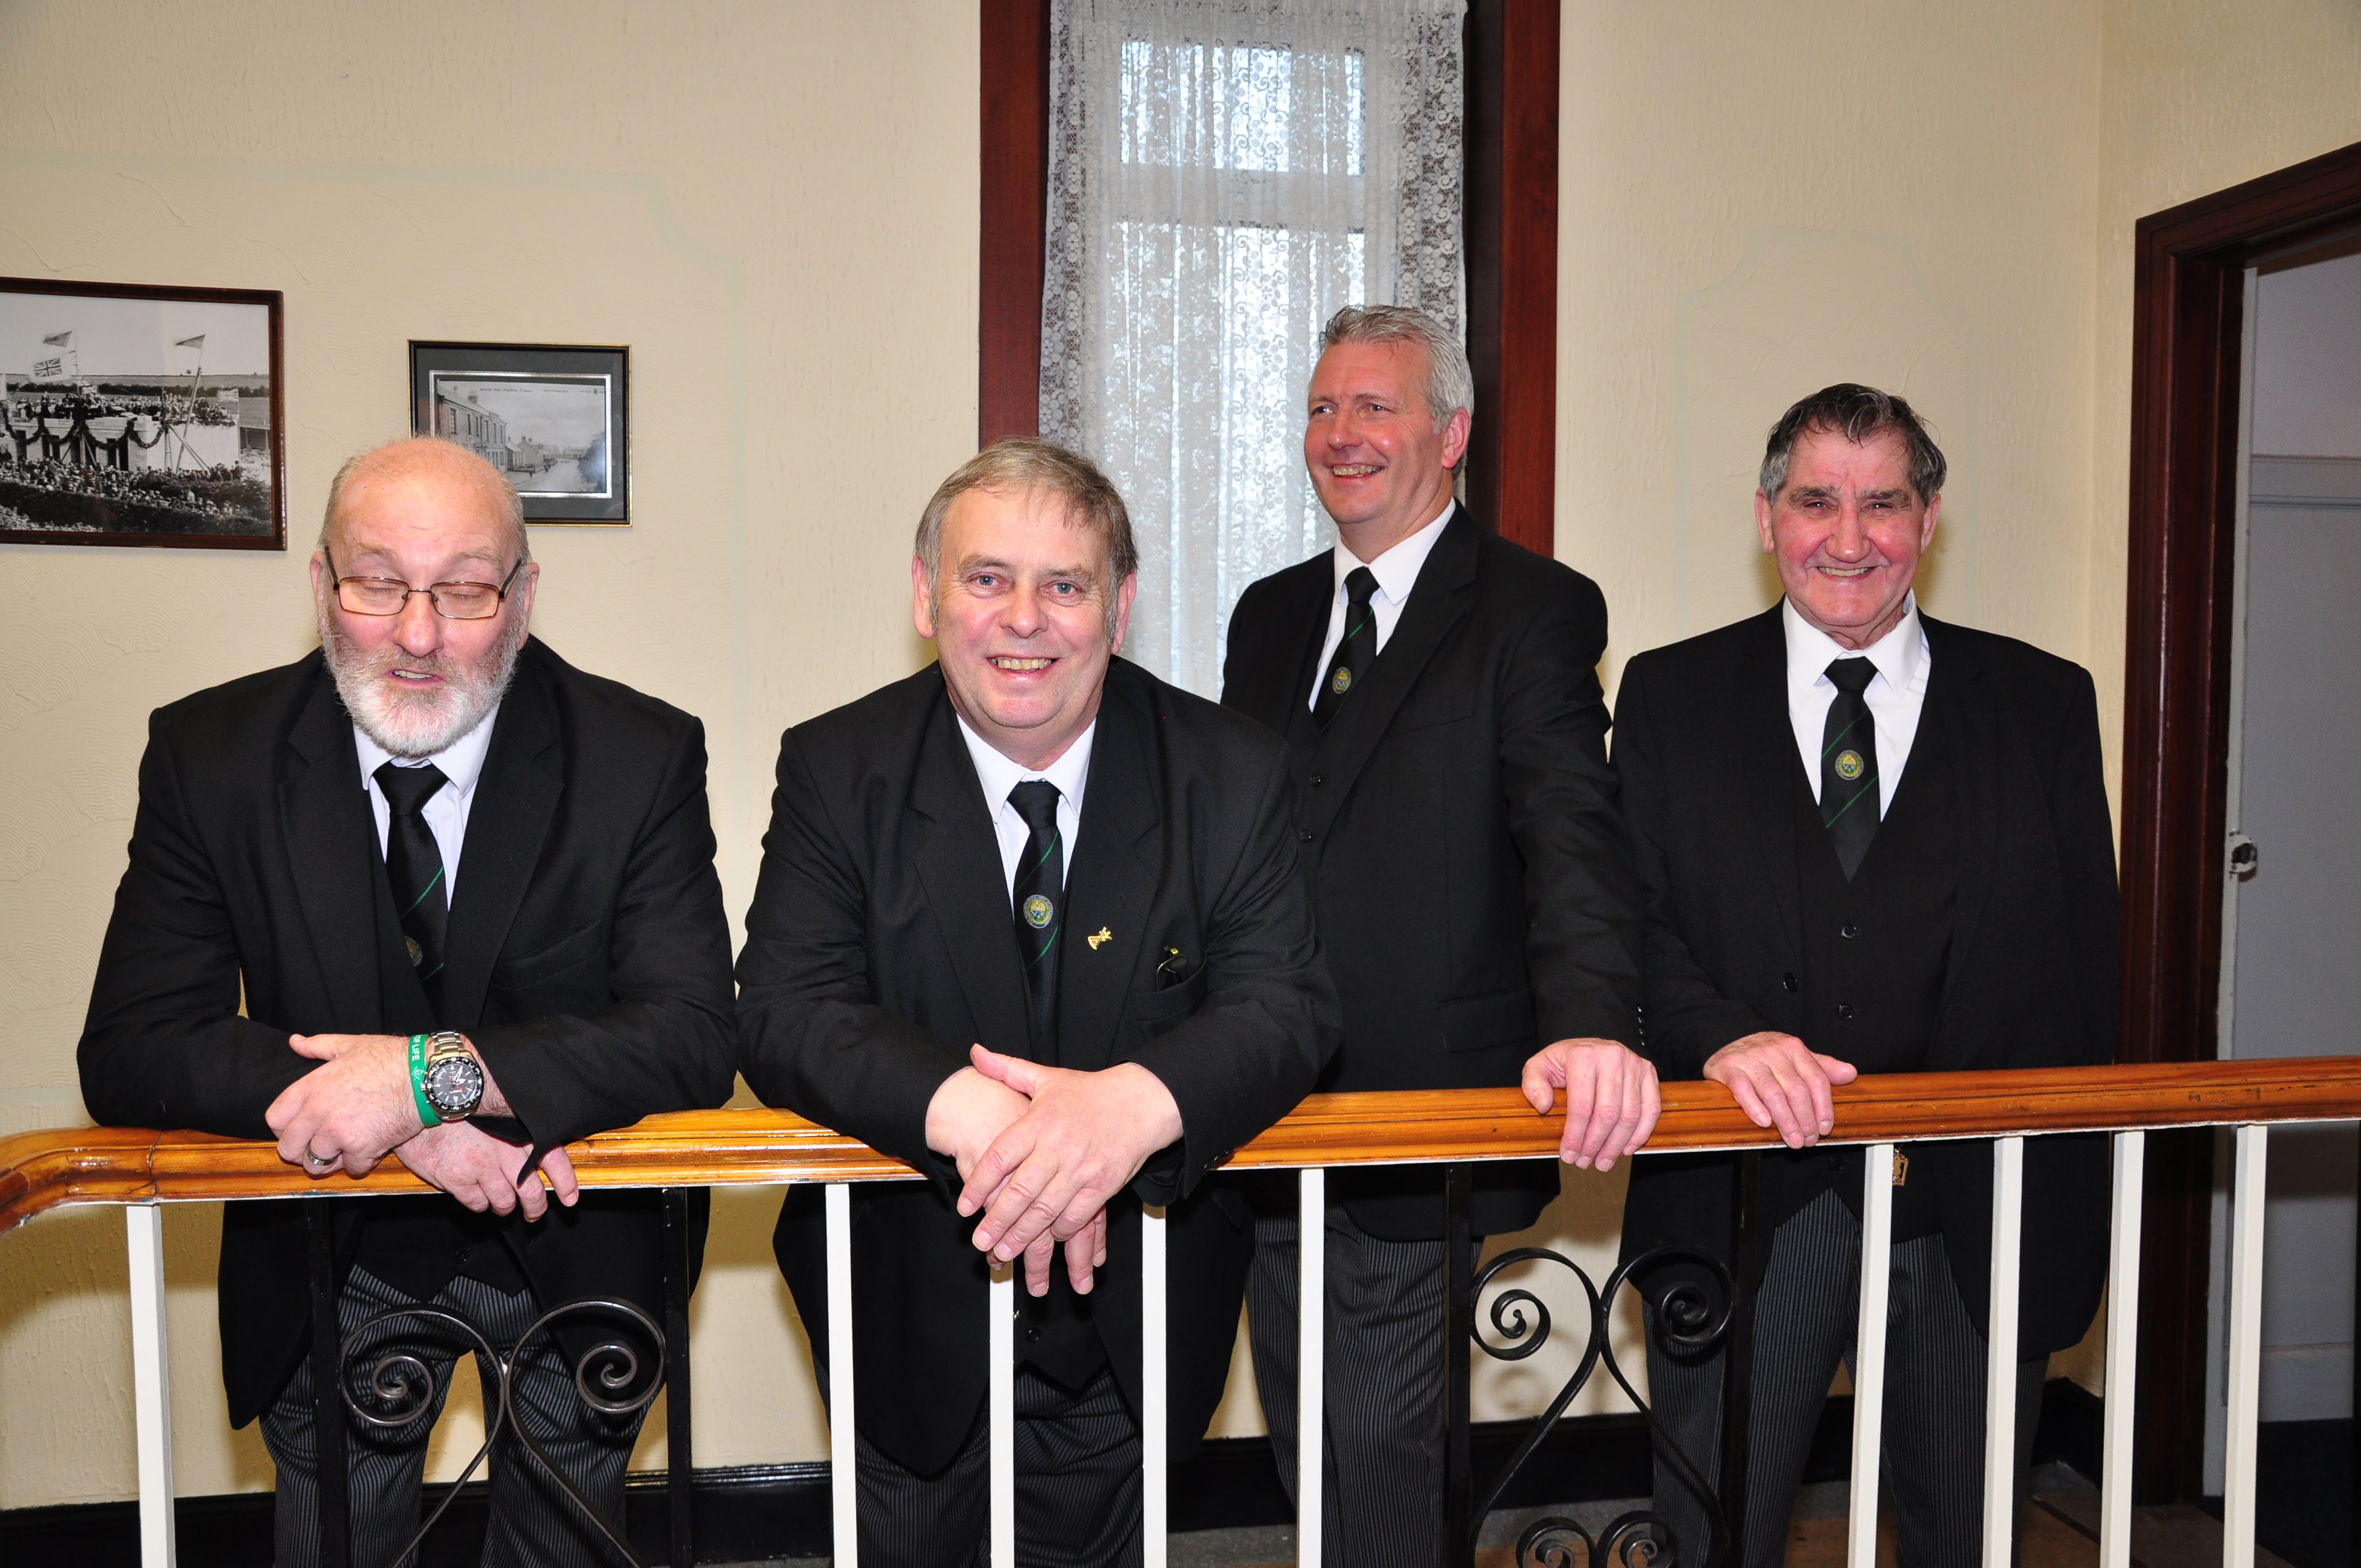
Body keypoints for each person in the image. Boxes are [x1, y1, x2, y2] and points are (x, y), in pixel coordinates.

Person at [77, 437, 738, 1567]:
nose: (419, 634)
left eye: (464, 590)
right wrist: (393, 1117)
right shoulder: (208, 753)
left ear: (522, 596)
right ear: (321, 583)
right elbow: (133, 1045)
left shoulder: (641, 753)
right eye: (378, 583)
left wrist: (428, 1078)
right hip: (331, 1242)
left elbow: (693, 1032)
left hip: (576, 1244)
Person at [736, 438, 1340, 1567]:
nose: (1024, 619)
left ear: (1119, 606)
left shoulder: (1231, 771)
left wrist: (1131, 1106)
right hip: (906, 1318)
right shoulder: (836, 766)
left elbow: (1288, 1005)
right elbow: (782, 1007)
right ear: (926, 596)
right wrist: (970, 1111)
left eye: (1065, 585)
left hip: (1133, 1317)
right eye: (986, 578)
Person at [1612, 384, 2118, 1566]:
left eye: (1882, 503)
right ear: (1766, 517)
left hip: (1971, 1217)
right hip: (1745, 1202)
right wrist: (1719, 1035)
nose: (1848, 538)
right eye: (1815, 502)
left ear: (1928, 519)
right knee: (1713, 1536)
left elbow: (2083, 971)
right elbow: (1628, 927)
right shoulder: (1669, 694)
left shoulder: (2043, 703)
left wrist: (2065, 1207)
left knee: (1967, 1537)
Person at [1222, 304, 1660, 1565]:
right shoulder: (1267, 614)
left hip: (1423, 1114)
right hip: (1259, 1108)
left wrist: (1593, 1023)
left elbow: (1572, 836)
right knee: (1307, 1438)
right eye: (1321, 407)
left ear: (1450, 433)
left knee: (1384, 1462)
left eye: (1374, 406)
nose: (1339, 433)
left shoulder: (1532, 608)